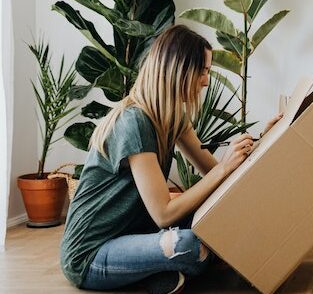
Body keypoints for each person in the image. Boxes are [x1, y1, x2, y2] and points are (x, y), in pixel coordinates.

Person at [60, 25, 282, 293]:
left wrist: (261, 142)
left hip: (136, 235)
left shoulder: (172, 118)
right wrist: (223, 167)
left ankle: (158, 277)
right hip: (90, 255)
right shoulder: (134, 121)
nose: (206, 81)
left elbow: (221, 178)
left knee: (219, 219)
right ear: (179, 72)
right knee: (189, 245)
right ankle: (157, 273)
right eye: (203, 71)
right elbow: (164, 214)